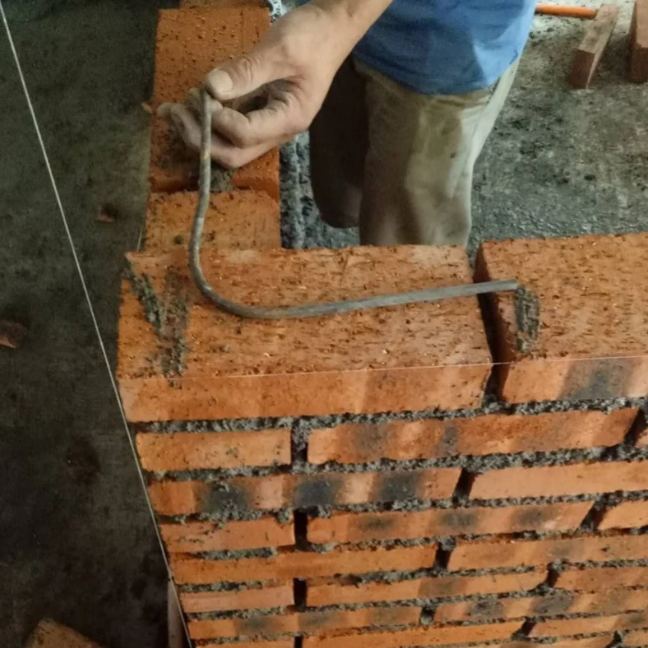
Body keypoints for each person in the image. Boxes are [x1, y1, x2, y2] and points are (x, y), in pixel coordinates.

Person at [163, 0, 535, 246]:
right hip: (336, 28)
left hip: (441, 44)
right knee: (346, 188)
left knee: (405, 255)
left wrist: (338, 17)